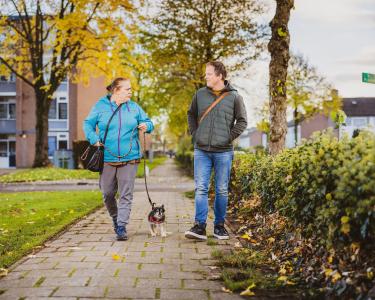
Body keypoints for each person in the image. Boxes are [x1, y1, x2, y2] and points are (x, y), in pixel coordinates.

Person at [83, 77, 154, 241]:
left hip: (130, 157)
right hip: (107, 157)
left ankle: (121, 226)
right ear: (116, 90)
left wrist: (146, 126)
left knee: (125, 194)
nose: (131, 91)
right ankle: (115, 217)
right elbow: (87, 124)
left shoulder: (134, 107)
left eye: (130, 89)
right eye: (127, 89)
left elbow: (148, 122)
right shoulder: (101, 106)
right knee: (107, 193)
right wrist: (93, 138)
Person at [185, 61, 247, 240]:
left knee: (221, 189)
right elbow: (191, 114)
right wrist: (195, 134)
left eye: (209, 73)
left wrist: (227, 137)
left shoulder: (235, 97)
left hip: (224, 151)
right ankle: (199, 227)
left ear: (220, 76)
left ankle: (219, 226)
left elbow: (242, 121)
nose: (206, 76)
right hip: (202, 150)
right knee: (201, 188)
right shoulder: (200, 94)